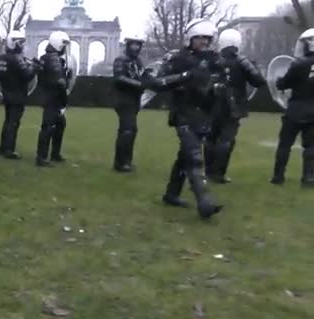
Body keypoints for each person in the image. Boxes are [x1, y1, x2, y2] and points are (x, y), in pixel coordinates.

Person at [150, 19, 223, 219]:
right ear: (190, 38)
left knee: (184, 157)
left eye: (206, 38)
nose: (203, 42)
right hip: (183, 113)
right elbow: (157, 82)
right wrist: (186, 76)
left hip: (203, 115)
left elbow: (221, 85)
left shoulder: (215, 60)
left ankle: (171, 195)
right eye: (199, 37)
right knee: (194, 157)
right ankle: (204, 202)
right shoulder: (178, 58)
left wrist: (216, 88)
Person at [205, 29, 266, 184]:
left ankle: (208, 172)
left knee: (211, 138)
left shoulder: (212, 59)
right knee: (226, 140)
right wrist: (253, 66)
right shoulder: (241, 61)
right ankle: (218, 174)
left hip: (212, 104)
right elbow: (259, 81)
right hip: (233, 106)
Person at [270, 28, 314, 187]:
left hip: (295, 110)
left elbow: (284, 83)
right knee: (311, 147)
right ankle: (309, 178)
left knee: (285, 145)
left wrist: (279, 81)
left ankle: (278, 177)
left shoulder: (298, 64)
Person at [0, 30, 39, 159]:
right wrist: (35, 68)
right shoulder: (17, 59)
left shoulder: (1, 58)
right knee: (13, 123)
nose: (22, 46)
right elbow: (27, 76)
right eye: (20, 43)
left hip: (6, 93)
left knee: (8, 121)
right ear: (13, 43)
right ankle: (9, 149)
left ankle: (3, 148)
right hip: (18, 95)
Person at [35, 31, 71, 167]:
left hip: (49, 96)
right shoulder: (53, 59)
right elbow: (59, 82)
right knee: (49, 127)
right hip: (53, 98)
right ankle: (41, 157)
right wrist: (65, 99)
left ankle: (55, 154)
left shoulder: (46, 57)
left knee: (59, 125)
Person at [112, 35, 146, 172]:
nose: (136, 47)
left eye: (138, 45)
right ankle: (121, 163)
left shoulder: (138, 61)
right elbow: (119, 78)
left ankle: (125, 161)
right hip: (123, 98)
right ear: (128, 45)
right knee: (127, 130)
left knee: (130, 131)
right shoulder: (121, 60)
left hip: (134, 98)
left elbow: (143, 76)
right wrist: (139, 84)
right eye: (133, 44)